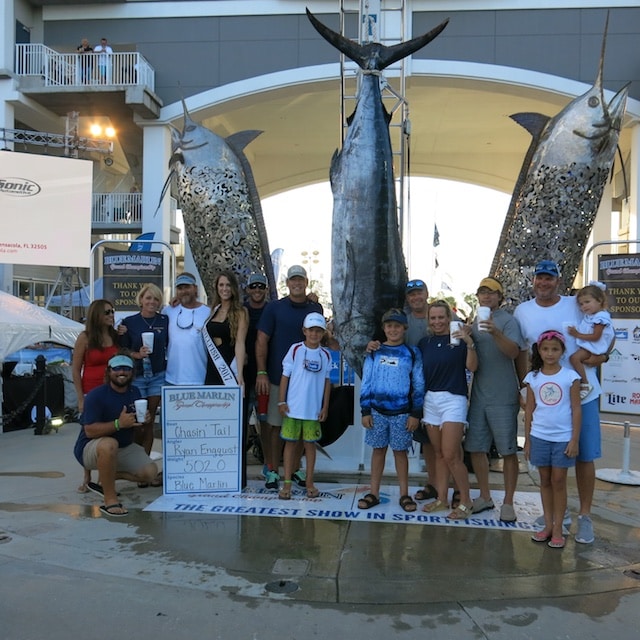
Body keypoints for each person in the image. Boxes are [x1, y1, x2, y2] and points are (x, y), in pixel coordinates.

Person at [514, 259, 611, 544]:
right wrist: (524, 387)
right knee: (549, 465)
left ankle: (584, 517)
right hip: (546, 399)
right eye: (539, 278)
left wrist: (602, 357)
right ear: (534, 281)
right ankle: (558, 515)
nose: (544, 283)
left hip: (583, 392)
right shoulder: (523, 311)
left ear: (559, 280)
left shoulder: (575, 303)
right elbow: (522, 352)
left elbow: (605, 331)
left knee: (583, 455)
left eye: (549, 278)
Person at [256, 265, 323, 490]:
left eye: (301, 280)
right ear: (287, 283)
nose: (297, 284)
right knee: (275, 428)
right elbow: (261, 341)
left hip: (306, 385)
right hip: (278, 378)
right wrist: (262, 372)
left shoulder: (316, 307)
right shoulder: (275, 308)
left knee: (302, 430)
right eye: (293, 280)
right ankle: (273, 470)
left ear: (306, 281)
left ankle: (294, 469)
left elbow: (322, 340)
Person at [465, 277, 523, 522]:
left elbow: (513, 352)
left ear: (500, 297)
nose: (486, 297)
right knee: (476, 448)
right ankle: (485, 496)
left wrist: (496, 332)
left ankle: (508, 502)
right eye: (482, 293)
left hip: (504, 396)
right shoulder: (475, 320)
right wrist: (466, 336)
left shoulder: (509, 321)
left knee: (508, 451)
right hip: (479, 396)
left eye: (491, 293)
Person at [73, 353, 159, 517]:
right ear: (108, 372)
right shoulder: (96, 395)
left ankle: (106, 478)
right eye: (117, 368)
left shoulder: (135, 392)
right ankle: (110, 500)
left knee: (149, 473)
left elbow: (136, 424)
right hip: (90, 448)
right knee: (109, 444)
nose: (122, 372)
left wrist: (145, 419)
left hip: (122, 447)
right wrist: (118, 424)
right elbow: (89, 431)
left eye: (126, 368)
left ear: (132, 372)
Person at [358, 309, 425, 512]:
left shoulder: (412, 352)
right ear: (383, 328)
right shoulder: (374, 351)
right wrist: (365, 410)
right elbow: (367, 382)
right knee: (378, 451)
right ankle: (374, 492)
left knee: (400, 453)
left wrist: (415, 413)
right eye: (389, 326)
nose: (393, 329)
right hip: (377, 412)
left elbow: (419, 384)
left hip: (402, 413)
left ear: (404, 328)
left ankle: (404, 494)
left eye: (397, 326)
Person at [418, 300, 477, 519]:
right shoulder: (424, 343)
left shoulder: (460, 340)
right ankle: (442, 499)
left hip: (454, 399)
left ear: (449, 318)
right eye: (433, 318)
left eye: (441, 317)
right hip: (430, 400)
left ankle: (466, 502)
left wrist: (469, 343)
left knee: (452, 455)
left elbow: (472, 367)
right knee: (439, 454)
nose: (437, 322)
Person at [524, 331, 581, 549]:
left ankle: (558, 528)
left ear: (562, 351)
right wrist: (528, 440)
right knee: (545, 480)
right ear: (539, 350)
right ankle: (547, 525)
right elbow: (529, 409)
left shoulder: (570, 377)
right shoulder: (533, 378)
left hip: (563, 438)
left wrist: (574, 439)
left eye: (555, 349)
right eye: (546, 349)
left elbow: (576, 409)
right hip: (539, 436)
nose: (550, 353)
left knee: (559, 481)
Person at [277, 312, 332, 500]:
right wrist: (282, 401)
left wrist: (325, 407)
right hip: (293, 408)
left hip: (313, 411)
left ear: (323, 333)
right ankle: (286, 484)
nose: (314, 334)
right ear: (304, 331)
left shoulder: (325, 355)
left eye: (318, 331)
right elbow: (285, 376)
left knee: (310, 446)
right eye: (311, 330)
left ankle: (309, 482)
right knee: (290, 445)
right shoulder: (295, 350)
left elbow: (327, 382)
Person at [117, 283, 169, 473]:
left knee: (149, 421)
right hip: (138, 376)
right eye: (148, 298)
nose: (152, 302)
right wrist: (136, 355)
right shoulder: (129, 322)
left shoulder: (165, 320)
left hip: (157, 375)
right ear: (140, 300)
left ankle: (145, 468)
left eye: (156, 299)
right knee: (138, 422)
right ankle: (135, 464)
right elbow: (122, 350)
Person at [72, 299, 119, 491]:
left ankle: (103, 475)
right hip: (91, 392)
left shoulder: (115, 336)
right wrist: (81, 397)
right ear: (97, 315)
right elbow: (75, 370)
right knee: (89, 432)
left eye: (112, 311)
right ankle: (87, 475)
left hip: (112, 391)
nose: (111, 315)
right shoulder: (85, 337)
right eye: (107, 312)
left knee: (107, 430)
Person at [243, 273, 271, 476]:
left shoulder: (273, 309)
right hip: (243, 375)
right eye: (254, 287)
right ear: (248, 290)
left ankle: (270, 466)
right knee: (241, 423)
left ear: (266, 290)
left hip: (265, 376)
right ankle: (237, 467)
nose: (258, 290)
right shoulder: (240, 310)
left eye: (261, 286)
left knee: (266, 423)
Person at [567, 282, 614, 399]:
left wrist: (577, 334)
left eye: (587, 302)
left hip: (593, 347)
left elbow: (595, 336)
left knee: (574, 358)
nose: (584, 306)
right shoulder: (590, 316)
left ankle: (584, 383)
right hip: (589, 345)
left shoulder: (601, 317)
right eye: (581, 304)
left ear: (599, 300)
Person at [164, 272, 210, 386]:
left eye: (187, 287)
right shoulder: (167, 311)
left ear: (195, 288)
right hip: (172, 379)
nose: (184, 291)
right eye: (180, 288)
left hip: (201, 378)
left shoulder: (208, 312)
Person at [204, 271, 248, 388]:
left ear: (233, 287)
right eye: (221, 285)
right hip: (213, 365)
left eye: (228, 285)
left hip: (230, 367)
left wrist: (239, 374)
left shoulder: (241, 312)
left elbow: (240, 343)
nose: (225, 289)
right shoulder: (213, 310)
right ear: (217, 288)